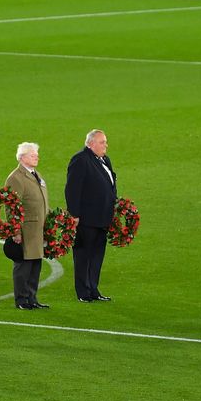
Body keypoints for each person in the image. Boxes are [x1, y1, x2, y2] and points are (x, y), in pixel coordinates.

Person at [66, 129, 117, 303]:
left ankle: (93, 289)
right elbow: (72, 189)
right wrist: (74, 214)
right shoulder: (80, 160)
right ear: (90, 144)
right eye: (102, 142)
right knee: (83, 255)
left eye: (105, 141)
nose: (106, 145)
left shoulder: (105, 160)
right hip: (86, 219)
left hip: (102, 218)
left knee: (96, 255)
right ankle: (83, 292)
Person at [5, 142, 50, 309]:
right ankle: (22, 299)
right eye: (33, 155)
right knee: (23, 265)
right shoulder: (16, 177)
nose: (37, 157)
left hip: (38, 228)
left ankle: (32, 297)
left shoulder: (36, 174)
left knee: (35, 263)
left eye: (36, 154)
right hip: (26, 229)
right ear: (22, 157)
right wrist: (15, 230)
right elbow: (11, 206)